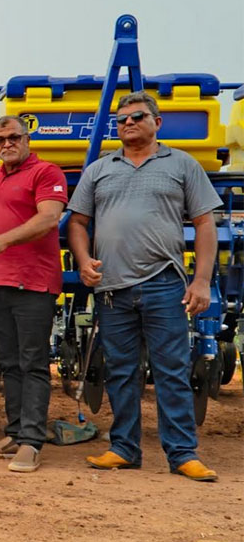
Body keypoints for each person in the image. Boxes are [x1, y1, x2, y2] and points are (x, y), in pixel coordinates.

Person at [67, 91, 221, 482]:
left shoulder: (182, 165)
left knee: (171, 370)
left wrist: (201, 280)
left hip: (164, 284)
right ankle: (123, 449)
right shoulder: (100, 169)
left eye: (137, 117)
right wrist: (83, 262)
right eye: (121, 120)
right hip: (113, 290)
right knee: (120, 371)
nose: (128, 124)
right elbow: (78, 222)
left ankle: (182, 453)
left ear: (157, 122)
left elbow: (205, 224)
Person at [0, 116, 67, 472]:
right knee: (7, 362)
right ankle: (13, 433)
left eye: (13, 137)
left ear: (27, 139)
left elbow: (49, 218)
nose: (6, 144)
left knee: (33, 362)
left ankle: (31, 441)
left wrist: (3, 240)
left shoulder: (47, 172)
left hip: (33, 282)